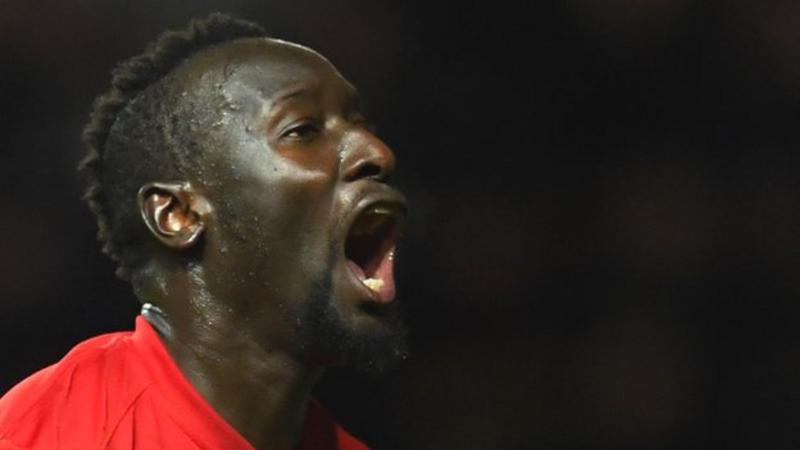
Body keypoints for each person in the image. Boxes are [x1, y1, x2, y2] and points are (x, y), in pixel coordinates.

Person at [0, 12, 408, 450]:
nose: (377, 153)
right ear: (177, 214)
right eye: (302, 130)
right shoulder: (57, 432)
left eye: (361, 126)